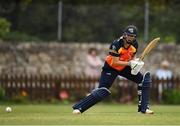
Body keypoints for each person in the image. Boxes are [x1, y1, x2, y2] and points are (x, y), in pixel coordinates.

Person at [72, 25, 154, 114]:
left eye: (133, 36)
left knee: (143, 81)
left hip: (124, 67)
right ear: (125, 35)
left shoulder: (135, 44)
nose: (130, 38)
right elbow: (115, 62)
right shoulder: (116, 44)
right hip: (111, 68)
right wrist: (130, 63)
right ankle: (79, 107)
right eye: (129, 35)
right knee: (102, 90)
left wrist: (135, 62)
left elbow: (132, 57)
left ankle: (143, 108)